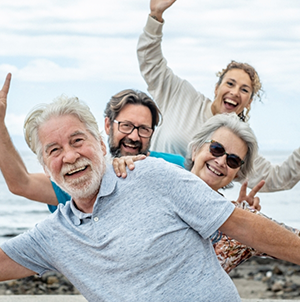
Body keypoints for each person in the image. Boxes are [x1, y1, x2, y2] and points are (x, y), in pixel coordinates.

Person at [2, 95, 300, 302]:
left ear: (99, 141)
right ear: (44, 165)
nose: (69, 156)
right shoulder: (54, 235)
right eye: (54, 150)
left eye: (78, 141)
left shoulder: (152, 172)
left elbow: (243, 225)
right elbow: (19, 189)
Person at [137, 0, 300, 192]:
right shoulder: (181, 95)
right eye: (230, 83)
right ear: (217, 88)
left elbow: (278, 178)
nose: (235, 92)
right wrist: (155, 17)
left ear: (249, 102)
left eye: (244, 90)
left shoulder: (238, 142)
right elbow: (151, 62)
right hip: (146, 188)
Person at [114, 113, 300, 274]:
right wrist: (121, 166)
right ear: (195, 150)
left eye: (233, 160)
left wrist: (245, 216)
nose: (221, 161)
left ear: (237, 173)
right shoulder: (155, 180)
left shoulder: (237, 225)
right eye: (216, 149)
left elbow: (293, 239)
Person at [0, 74, 183, 212]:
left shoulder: (174, 166)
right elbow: (21, 183)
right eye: (126, 126)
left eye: (143, 129)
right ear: (107, 125)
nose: (134, 137)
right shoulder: (82, 176)